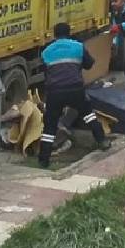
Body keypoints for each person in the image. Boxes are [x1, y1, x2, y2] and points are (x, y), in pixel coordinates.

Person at [37, 23, 109, 168]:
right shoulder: (78, 47)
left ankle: (44, 159)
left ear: (54, 35)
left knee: (50, 125)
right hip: (75, 88)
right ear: (69, 33)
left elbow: (46, 72)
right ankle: (102, 141)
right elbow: (89, 64)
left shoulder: (46, 51)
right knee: (88, 114)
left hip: (55, 91)